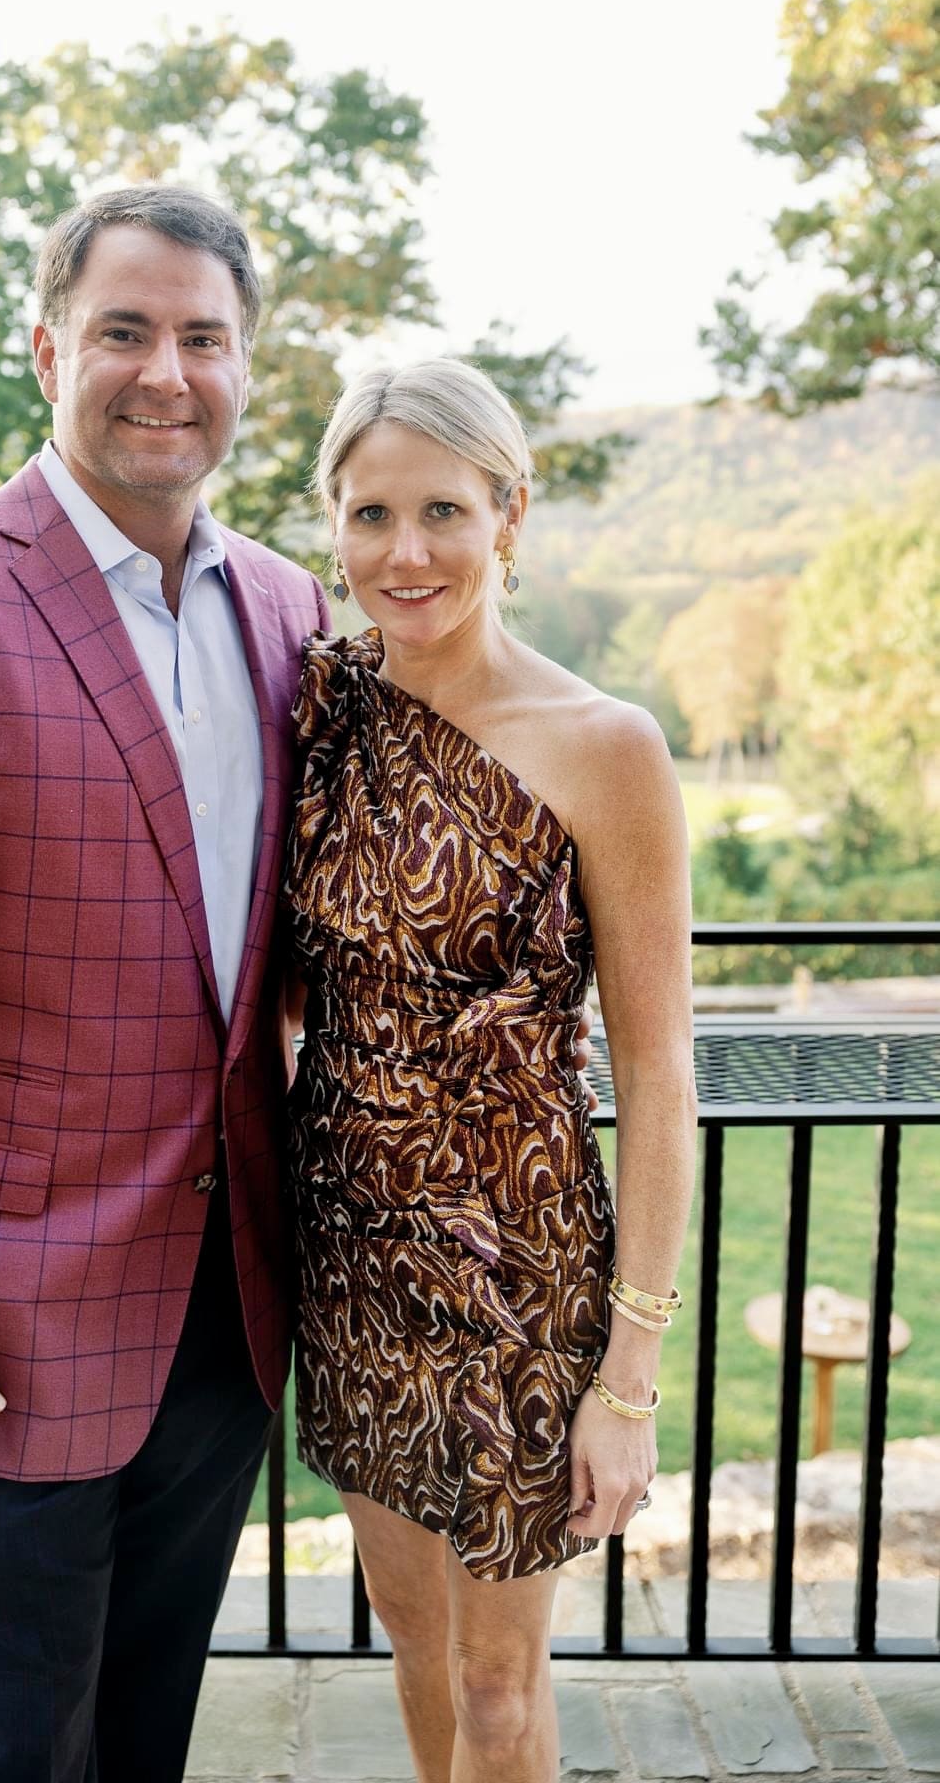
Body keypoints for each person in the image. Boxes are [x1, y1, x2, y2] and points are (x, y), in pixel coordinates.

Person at [0, 188, 596, 1783]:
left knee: (144, 1738)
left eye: (204, 337)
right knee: (9, 1748)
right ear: (47, 348)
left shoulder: (285, 609)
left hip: (229, 1310)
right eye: (123, 331)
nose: (165, 372)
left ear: (245, 366)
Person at [283, 356, 697, 1783]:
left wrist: (628, 1376)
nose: (405, 552)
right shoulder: (320, 711)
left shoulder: (605, 746)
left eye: (443, 511)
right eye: (371, 514)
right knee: (411, 1642)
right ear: (334, 525)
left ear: (509, 514)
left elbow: (658, 1073)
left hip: (520, 1270)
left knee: (499, 1689)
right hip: (349, 1253)